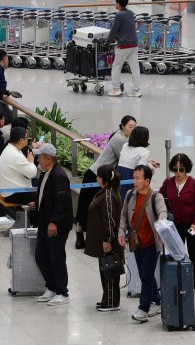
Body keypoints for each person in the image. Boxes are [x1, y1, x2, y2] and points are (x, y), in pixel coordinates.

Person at [75, 115, 137, 250]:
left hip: (101, 176)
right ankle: (81, 236)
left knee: (89, 206)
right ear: (122, 126)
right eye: (130, 127)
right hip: (95, 175)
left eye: (134, 127)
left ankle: (83, 236)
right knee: (87, 207)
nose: (133, 130)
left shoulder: (121, 138)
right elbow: (127, 160)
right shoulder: (119, 139)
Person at [118, 165, 168, 322]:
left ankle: (143, 308)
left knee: (146, 276)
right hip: (136, 243)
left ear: (147, 180)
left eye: (138, 178)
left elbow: (162, 211)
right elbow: (124, 215)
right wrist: (121, 232)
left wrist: (161, 220)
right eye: (134, 177)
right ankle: (158, 301)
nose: (135, 181)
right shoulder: (130, 195)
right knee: (145, 274)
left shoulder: (156, 197)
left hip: (152, 244)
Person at [29, 143, 72, 306]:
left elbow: (62, 202)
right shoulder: (46, 173)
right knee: (41, 256)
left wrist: (54, 221)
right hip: (44, 222)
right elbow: (45, 195)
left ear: (48, 158)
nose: (38, 159)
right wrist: (37, 204)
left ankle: (62, 291)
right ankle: (52, 287)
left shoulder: (59, 176)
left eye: (40, 157)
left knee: (56, 257)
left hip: (56, 225)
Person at [159, 153, 195, 289]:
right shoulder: (168, 183)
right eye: (175, 169)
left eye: (181, 169)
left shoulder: (194, 183)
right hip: (175, 225)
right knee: (176, 254)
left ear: (187, 169)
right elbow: (159, 198)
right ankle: (178, 280)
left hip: (192, 225)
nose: (178, 172)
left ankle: (194, 282)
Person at [83, 164, 124, 311]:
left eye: (98, 175)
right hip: (104, 240)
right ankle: (107, 298)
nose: (96, 178)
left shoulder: (108, 196)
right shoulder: (106, 192)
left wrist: (107, 239)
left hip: (109, 241)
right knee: (105, 269)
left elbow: (109, 219)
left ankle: (112, 301)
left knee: (110, 270)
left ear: (103, 178)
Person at [105, 0, 142, 97]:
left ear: (118, 4)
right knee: (135, 67)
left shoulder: (119, 15)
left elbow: (113, 31)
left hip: (124, 46)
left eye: (116, 2)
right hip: (134, 44)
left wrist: (107, 43)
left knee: (116, 66)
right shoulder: (131, 13)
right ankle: (136, 90)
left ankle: (116, 89)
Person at [0, 126, 37, 205]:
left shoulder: (11, 149)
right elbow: (32, 173)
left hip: (10, 190)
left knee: (42, 183)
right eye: (27, 137)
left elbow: (25, 171)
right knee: (45, 194)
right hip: (14, 193)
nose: (28, 139)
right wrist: (31, 162)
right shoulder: (15, 154)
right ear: (21, 140)